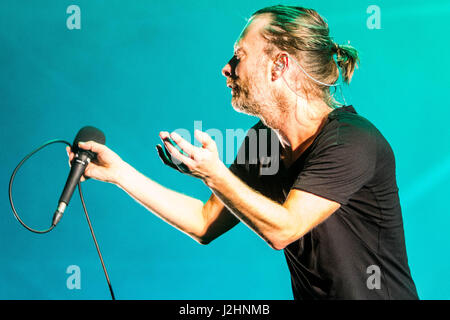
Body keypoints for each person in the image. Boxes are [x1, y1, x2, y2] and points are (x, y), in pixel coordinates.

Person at [67, 5, 418, 299]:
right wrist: (119, 173)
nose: (226, 68)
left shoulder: (352, 140)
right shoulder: (265, 140)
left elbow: (284, 229)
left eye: (239, 55)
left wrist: (214, 174)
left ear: (278, 65)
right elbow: (205, 223)